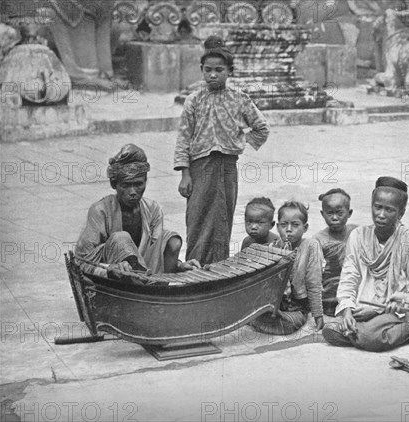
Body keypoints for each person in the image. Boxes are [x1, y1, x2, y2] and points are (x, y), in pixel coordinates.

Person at [174, 35, 270, 265]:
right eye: (208, 70)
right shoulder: (193, 100)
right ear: (202, 70)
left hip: (227, 167)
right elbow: (183, 138)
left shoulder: (239, 99)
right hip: (200, 168)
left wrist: (240, 140)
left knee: (222, 218)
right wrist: (185, 174)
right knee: (197, 217)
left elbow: (262, 128)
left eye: (219, 70)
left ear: (229, 71)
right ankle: (194, 266)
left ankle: (218, 266)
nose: (213, 75)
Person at [322, 177, 409, 352]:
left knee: (368, 336)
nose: (381, 215)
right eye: (377, 207)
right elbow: (349, 277)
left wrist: (399, 301)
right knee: (330, 331)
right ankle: (375, 333)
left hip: (395, 311)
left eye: (389, 210)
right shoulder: (358, 236)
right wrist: (348, 310)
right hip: (361, 308)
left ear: (401, 213)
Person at [76, 144, 199, 281]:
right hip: (115, 278)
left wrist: (178, 266)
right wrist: (108, 269)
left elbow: (156, 253)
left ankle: (163, 288)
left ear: (145, 181)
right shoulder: (100, 211)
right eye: (126, 185)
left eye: (138, 184)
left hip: (146, 274)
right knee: (121, 238)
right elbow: (81, 261)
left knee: (172, 240)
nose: (133, 192)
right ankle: (144, 286)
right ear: (114, 185)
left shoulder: (153, 209)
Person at [251, 201, 325, 335]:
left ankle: (277, 318)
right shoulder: (273, 247)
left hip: (296, 306)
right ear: (278, 227)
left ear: (305, 227)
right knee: (252, 314)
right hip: (277, 303)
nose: (289, 229)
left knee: (288, 324)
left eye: (295, 225)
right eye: (284, 225)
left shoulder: (311, 246)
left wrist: (318, 315)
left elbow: (314, 282)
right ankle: (270, 315)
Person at [313, 188, 358, 316]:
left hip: (355, 291)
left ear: (349, 213)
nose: (334, 217)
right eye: (330, 213)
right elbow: (314, 272)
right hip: (330, 295)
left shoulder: (357, 232)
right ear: (322, 214)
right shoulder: (318, 240)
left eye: (339, 213)